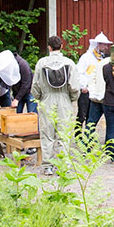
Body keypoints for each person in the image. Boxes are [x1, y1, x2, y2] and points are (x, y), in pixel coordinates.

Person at [32, 36, 80, 175]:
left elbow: (35, 85)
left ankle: (47, 166)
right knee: (64, 133)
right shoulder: (69, 63)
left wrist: (39, 97)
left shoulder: (42, 63)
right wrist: (71, 99)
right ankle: (63, 165)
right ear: (61, 46)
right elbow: (75, 86)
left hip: (47, 99)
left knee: (47, 134)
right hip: (64, 99)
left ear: (49, 47)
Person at [76, 32, 112, 131]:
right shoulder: (86, 57)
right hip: (85, 90)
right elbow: (79, 72)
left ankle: (88, 137)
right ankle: (78, 135)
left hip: (95, 90)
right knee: (81, 115)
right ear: (98, 44)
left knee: (90, 116)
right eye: (104, 45)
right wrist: (83, 85)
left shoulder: (101, 58)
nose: (106, 47)